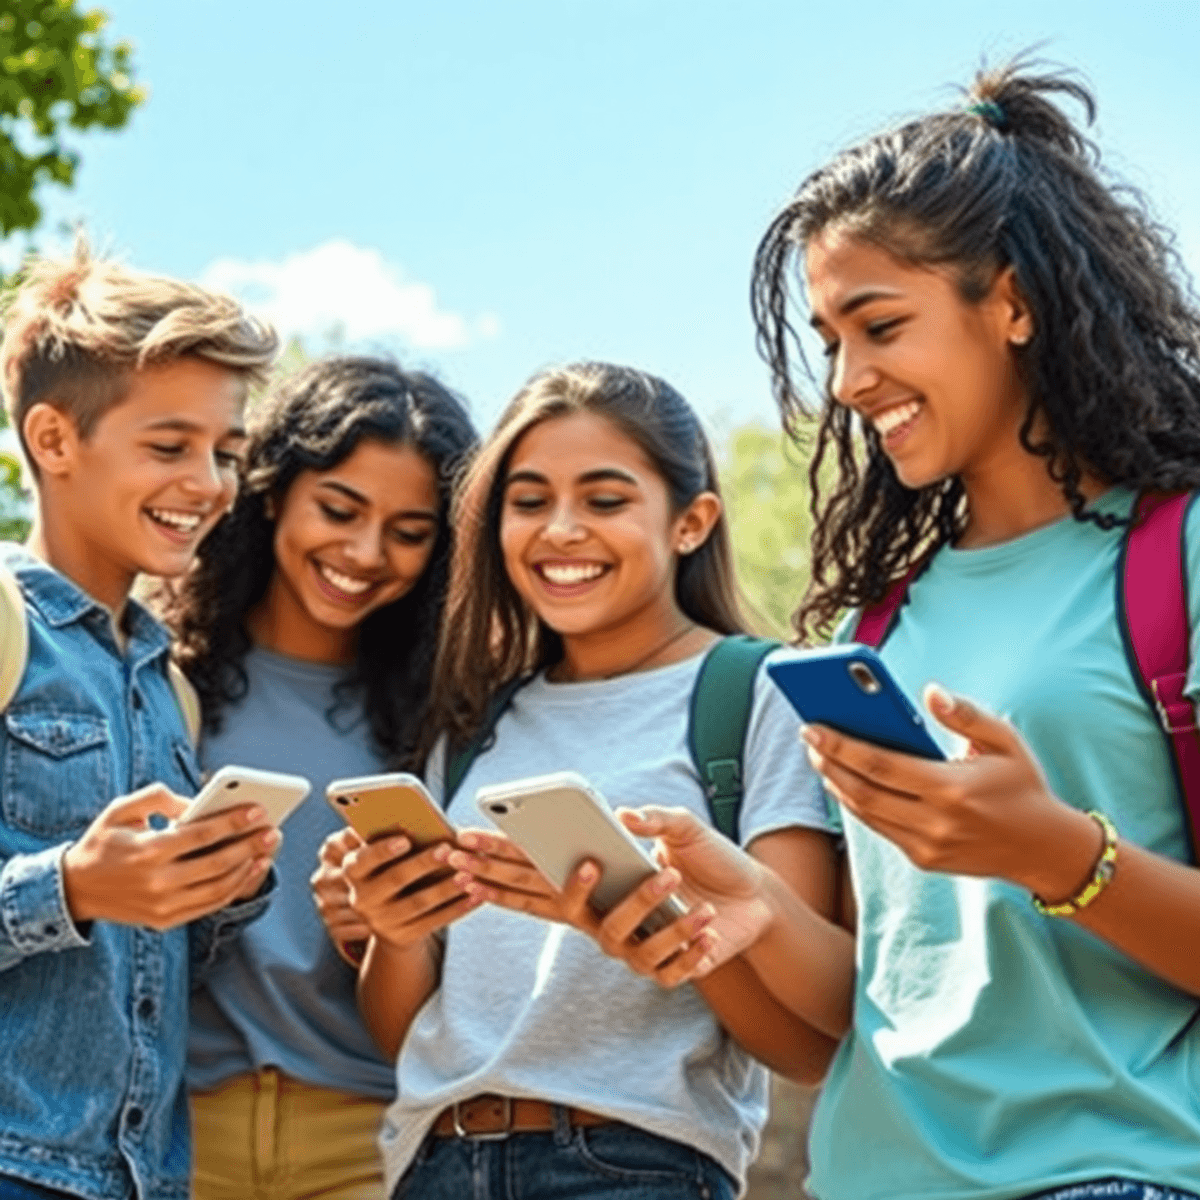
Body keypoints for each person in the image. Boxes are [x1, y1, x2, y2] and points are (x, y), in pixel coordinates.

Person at [592, 59, 1200, 1200]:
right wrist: (750, 908)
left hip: (1117, 1173)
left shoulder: (1180, 553)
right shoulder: (880, 614)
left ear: (1012, 303)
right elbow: (875, 1004)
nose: (849, 380)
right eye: (829, 339)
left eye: (879, 326)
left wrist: (1057, 854)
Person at [317, 361, 846, 1200]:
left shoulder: (756, 695)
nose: (560, 530)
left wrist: (670, 936)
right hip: (435, 1162)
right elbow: (408, 1036)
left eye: (605, 500)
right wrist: (393, 926)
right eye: (528, 502)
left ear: (691, 522)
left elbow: (808, 1042)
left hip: (633, 1166)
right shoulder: (473, 725)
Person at [0, 242, 280, 1200]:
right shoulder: (5, 624)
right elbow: (78, 903)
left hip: (144, 1180)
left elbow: (136, 969)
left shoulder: (170, 684)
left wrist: (221, 887)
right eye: (170, 447)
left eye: (225, 452)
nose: (208, 483)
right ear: (54, 438)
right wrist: (71, 885)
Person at [162, 356, 477, 1200]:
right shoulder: (159, 677)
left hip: (368, 1137)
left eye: (409, 532)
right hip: (173, 1127)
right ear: (272, 492)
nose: (364, 553)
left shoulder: (445, 716)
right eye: (338, 510)